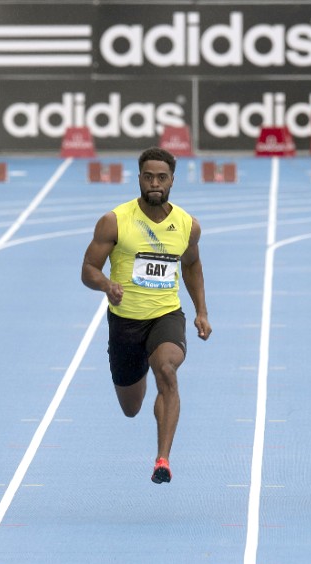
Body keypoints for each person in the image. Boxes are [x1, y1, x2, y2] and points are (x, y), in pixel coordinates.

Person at [81, 146, 211, 484]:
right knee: (131, 407)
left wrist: (201, 312)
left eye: (162, 177)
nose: (155, 183)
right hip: (125, 323)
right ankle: (149, 411)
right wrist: (107, 285)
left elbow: (192, 264)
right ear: (139, 178)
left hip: (166, 315)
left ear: (172, 181)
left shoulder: (186, 225)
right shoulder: (114, 221)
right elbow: (88, 269)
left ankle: (162, 459)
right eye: (149, 176)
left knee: (166, 369)